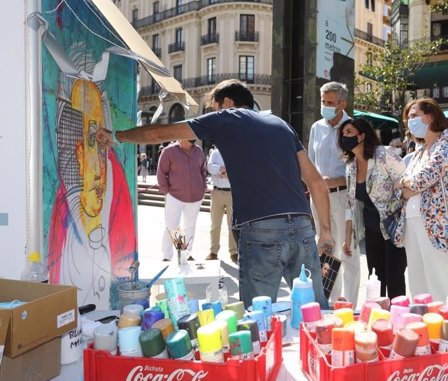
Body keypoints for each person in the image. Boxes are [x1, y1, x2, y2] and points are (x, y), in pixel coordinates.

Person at [97, 79, 333, 309]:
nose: (211, 113)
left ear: (227, 102)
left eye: (213, 108)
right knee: (315, 313)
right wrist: (325, 233)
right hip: (302, 226)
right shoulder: (281, 125)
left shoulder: (227, 118)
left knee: (259, 317)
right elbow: (316, 183)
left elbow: (160, 133)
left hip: (261, 228)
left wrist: (116, 136)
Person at [47, 79, 136, 308]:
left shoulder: (115, 187)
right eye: (88, 138)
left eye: (100, 137)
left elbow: (125, 261)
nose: (95, 154)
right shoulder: (65, 208)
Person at [397, 98, 448, 302]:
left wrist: (408, 185)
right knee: (417, 280)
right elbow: (402, 187)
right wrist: (409, 186)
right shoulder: (419, 152)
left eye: (413, 116)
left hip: (438, 223)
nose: (409, 122)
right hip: (412, 221)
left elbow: (426, 177)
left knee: (440, 281)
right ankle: (424, 327)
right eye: (407, 118)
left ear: (429, 116)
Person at [338, 118, 407, 298]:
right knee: (375, 277)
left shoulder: (384, 154)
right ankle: (379, 317)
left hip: (395, 227)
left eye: (349, 132)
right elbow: (350, 204)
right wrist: (347, 238)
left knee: (394, 277)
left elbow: (406, 181)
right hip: (372, 230)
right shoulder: (350, 166)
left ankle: (398, 318)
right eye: (343, 134)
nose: (345, 137)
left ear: (362, 135)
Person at [308, 82, 361, 305]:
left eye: (330, 103)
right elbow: (310, 161)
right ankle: (329, 301)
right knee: (326, 250)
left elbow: (361, 165)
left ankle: (350, 304)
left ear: (342, 103)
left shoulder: (353, 128)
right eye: (323, 102)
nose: (325, 106)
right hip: (319, 198)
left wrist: (339, 180)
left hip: (344, 197)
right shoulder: (316, 127)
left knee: (348, 251)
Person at [157, 139, 207, 262]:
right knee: (173, 226)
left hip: (195, 197)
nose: (193, 137)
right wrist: (166, 190)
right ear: (181, 135)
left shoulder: (199, 151)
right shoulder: (169, 151)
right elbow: (161, 172)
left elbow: (203, 172)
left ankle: (185, 254)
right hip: (175, 196)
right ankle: (167, 255)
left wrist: (203, 187)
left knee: (190, 226)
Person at [206, 147, 238, 263]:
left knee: (232, 225)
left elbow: (238, 169)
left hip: (232, 193)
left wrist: (224, 171)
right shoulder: (215, 152)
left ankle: (234, 252)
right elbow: (210, 167)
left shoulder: (236, 151)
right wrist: (222, 170)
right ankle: (214, 251)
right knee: (215, 224)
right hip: (217, 192)